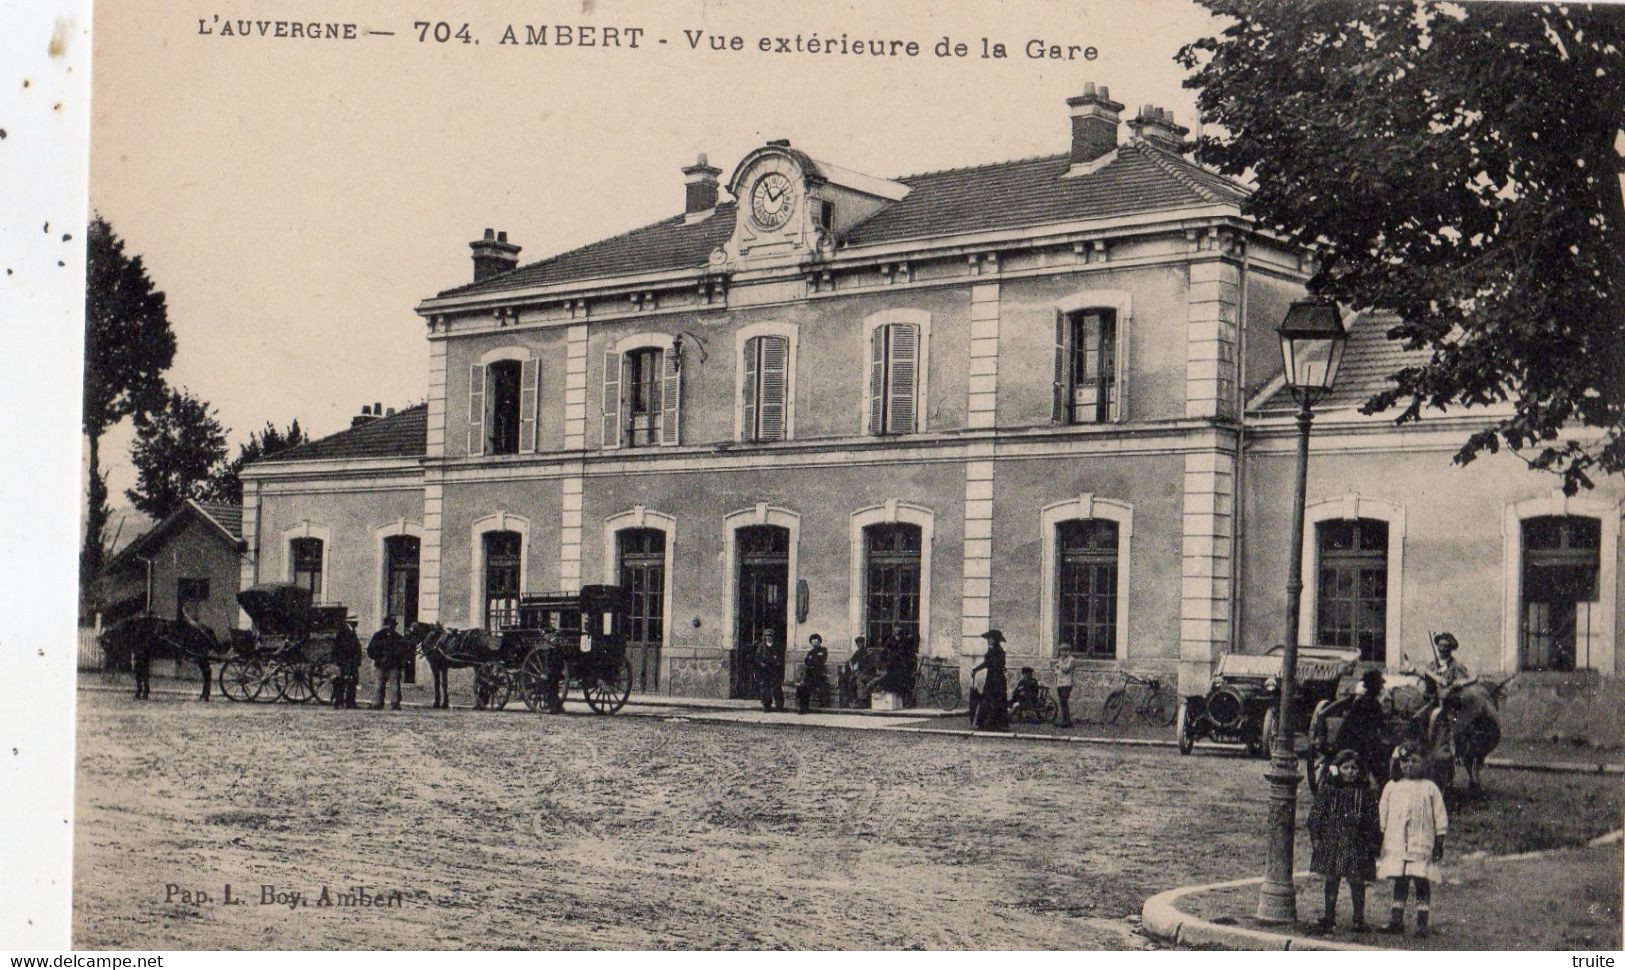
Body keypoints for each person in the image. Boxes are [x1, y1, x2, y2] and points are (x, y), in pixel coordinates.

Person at [1377, 742, 1449, 937]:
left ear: (1425, 763)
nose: (1409, 765)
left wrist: (1439, 838)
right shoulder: (1392, 787)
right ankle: (1396, 920)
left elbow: (1439, 814)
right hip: (1397, 842)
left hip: (1421, 842)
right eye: (1405, 761)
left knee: (1420, 880)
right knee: (1400, 880)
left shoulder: (1430, 788)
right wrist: (1381, 834)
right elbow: (1383, 811)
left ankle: (1422, 923)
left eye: (1414, 761)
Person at [1308, 749, 1382, 933]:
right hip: (1333, 843)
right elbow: (1316, 816)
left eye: (1354, 768)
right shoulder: (1328, 792)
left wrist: (1373, 841)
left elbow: (1373, 820)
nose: (1350, 772)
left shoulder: (1365, 795)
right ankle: (1329, 916)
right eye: (1345, 767)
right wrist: (1316, 837)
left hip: (1357, 845)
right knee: (1332, 879)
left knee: (1357, 881)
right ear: (1337, 769)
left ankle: (1358, 919)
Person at [1325, 669, 1389, 781]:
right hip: (1360, 742)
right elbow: (1380, 725)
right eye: (1379, 686)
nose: (1380, 689)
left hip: (1345, 739)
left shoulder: (1359, 701)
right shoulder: (1374, 704)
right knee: (1380, 756)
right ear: (1376, 688)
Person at [970, 629, 1009, 731]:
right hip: (994, 678)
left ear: (994, 639)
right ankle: (994, 724)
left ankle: (991, 724)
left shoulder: (997, 651)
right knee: (994, 700)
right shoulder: (994, 649)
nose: (988, 640)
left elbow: (988, 663)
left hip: (996, 680)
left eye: (990, 638)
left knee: (990, 700)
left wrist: (976, 669)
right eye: (988, 639)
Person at [368, 615, 407, 710]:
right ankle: (394, 704)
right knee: (394, 685)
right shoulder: (398, 637)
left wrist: (377, 658)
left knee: (379, 684)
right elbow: (402, 652)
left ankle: (378, 703)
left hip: (382, 664)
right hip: (392, 665)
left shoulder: (377, 636)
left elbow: (370, 650)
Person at [332, 617, 363, 709]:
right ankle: (340, 702)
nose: (357, 623)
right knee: (341, 681)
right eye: (355, 621)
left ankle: (350, 702)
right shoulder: (343, 632)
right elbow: (341, 648)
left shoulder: (352, 631)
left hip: (351, 662)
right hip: (345, 661)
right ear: (351, 622)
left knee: (352, 682)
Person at [795, 633, 830, 714]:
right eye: (813, 642)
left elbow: (821, 661)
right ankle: (803, 707)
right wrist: (814, 661)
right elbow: (806, 661)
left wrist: (813, 662)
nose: (814, 643)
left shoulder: (823, 650)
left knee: (810, 685)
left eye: (816, 642)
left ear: (820, 642)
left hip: (820, 675)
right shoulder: (810, 652)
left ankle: (807, 707)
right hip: (810, 675)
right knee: (803, 687)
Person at [756, 627, 786, 713]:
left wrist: (778, 663)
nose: (768, 637)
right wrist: (761, 664)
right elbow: (757, 658)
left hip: (775, 669)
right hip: (765, 670)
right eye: (767, 635)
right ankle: (767, 705)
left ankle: (779, 705)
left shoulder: (777, 646)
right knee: (766, 688)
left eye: (770, 635)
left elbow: (781, 657)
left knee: (777, 687)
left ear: (773, 637)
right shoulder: (761, 646)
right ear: (764, 637)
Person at [1053, 649, 1076, 727]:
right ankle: (1065, 720)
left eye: (1065, 651)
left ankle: (1066, 721)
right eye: (1062, 651)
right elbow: (1056, 669)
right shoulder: (1060, 659)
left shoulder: (1071, 660)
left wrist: (1060, 664)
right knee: (1062, 702)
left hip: (1067, 683)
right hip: (1060, 683)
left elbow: (1066, 669)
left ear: (1069, 651)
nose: (1063, 652)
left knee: (1064, 701)